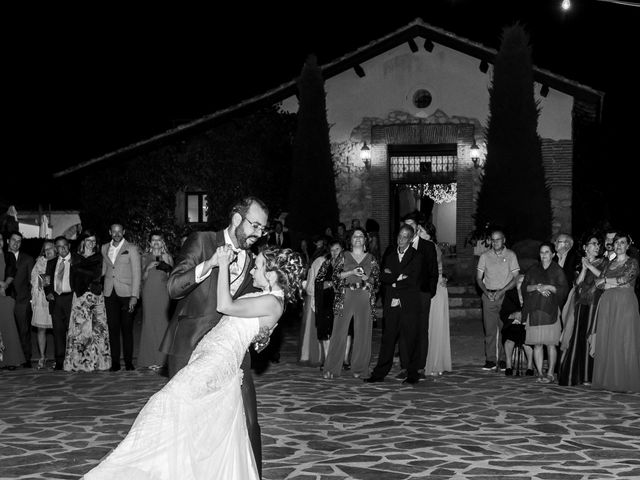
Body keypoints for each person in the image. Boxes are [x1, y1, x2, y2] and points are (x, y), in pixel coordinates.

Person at [84, 246, 305, 479]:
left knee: (166, 403)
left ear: (271, 275)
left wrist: (222, 267)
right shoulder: (266, 298)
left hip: (218, 362)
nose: (252, 273)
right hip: (209, 356)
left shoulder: (272, 302)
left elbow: (225, 306)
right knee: (191, 419)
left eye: (257, 267)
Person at [159, 196, 268, 476]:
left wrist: (259, 330)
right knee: (186, 422)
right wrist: (210, 264)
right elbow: (173, 287)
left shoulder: (252, 260)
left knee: (248, 419)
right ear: (236, 219)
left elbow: (246, 304)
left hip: (231, 347)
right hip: (191, 346)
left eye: (262, 229)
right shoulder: (203, 240)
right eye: (254, 225)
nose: (258, 233)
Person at [364, 224, 422, 384]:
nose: (401, 239)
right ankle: (379, 373)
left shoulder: (416, 256)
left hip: (408, 304)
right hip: (391, 304)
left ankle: (412, 374)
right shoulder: (390, 256)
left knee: (410, 339)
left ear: (410, 239)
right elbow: (383, 277)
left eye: (405, 237)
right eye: (399, 236)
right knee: (387, 339)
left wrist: (394, 279)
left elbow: (413, 280)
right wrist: (399, 277)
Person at [323, 227, 379, 379]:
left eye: (361, 236)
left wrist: (367, 278)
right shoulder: (344, 256)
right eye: (355, 236)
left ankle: (359, 369)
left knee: (363, 333)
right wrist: (352, 272)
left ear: (365, 240)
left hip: (364, 295)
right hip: (346, 295)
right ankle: (331, 368)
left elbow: (377, 280)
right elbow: (335, 277)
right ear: (351, 240)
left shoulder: (371, 258)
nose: (358, 238)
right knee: (338, 332)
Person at [591, 233, 640, 393]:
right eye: (616, 242)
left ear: (628, 245)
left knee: (625, 339)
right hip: (607, 304)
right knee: (608, 339)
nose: (619, 245)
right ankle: (609, 381)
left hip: (625, 304)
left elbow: (625, 279)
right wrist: (608, 282)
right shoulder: (609, 263)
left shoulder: (632, 262)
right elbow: (599, 284)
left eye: (622, 243)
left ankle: (627, 381)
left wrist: (607, 281)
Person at [558, 234, 604, 386]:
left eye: (598, 244)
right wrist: (584, 268)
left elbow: (603, 278)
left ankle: (590, 376)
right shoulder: (579, 264)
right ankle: (579, 375)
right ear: (585, 247)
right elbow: (577, 283)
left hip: (595, 304)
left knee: (591, 337)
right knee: (578, 337)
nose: (597, 246)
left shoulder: (604, 262)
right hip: (580, 303)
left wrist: (590, 266)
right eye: (593, 244)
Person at [63, 230, 111, 372]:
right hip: (80, 297)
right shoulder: (75, 257)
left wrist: (82, 271)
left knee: (98, 330)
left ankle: (99, 362)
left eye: (94, 241)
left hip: (95, 297)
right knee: (80, 331)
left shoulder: (99, 257)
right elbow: (72, 278)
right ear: (83, 242)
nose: (91, 243)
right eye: (88, 240)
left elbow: (98, 274)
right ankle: (79, 363)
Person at [522, 241, 568, 384]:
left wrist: (548, 286)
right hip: (534, 311)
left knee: (551, 344)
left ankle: (550, 373)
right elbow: (525, 288)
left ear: (553, 254)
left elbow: (563, 290)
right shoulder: (533, 269)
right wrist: (537, 287)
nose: (544, 255)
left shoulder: (557, 270)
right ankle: (540, 373)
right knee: (537, 344)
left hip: (550, 311)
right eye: (542, 252)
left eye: (547, 252)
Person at [476, 229, 520, 371]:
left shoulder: (511, 255)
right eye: (493, 240)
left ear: (504, 240)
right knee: (489, 329)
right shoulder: (485, 256)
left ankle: (502, 359)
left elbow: (516, 278)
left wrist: (502, 291)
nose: (495, 242)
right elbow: (478, 278)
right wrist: (485, 291)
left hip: (505, 296)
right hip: (488, 295)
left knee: (504, 328)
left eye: (498, 239)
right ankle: (490, 359)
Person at [402, 213, 439, 379]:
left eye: (411, 224)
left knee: (421, 330)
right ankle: (406, 365)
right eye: (405, 224)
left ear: (417, 227)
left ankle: (419, 367)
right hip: (404, 294)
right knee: (404, 330)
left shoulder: (427, 246)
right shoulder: (399, 245)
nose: (408, 227)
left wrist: (429, 292)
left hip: (422, 293)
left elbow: (433, 271)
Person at [101, 223, 141, 372]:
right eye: (114, 231)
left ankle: (129, 362)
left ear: (123, 232)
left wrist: (134, 296)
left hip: (126, 293)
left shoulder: (131, 248)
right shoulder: (104, 248)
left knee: (127, 328)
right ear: (110, 232)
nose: (117, 234)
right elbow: (105, 270)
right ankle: (116, 363)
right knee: (112, 329)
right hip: (109, 293)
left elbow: (137, 274)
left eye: (119, 231)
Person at [44, 236, 83, 370]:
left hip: (71, 298)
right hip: (56, 299)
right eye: (59, 247)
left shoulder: (77, 260)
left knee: (75, 331)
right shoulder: (51, 262)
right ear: (56, 248)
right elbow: (45, 280)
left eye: (65, 245)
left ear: (69, 245)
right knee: (58, 332)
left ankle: (76, 359)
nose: (63, 249)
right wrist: (47, 292)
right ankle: (60, 361)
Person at [138, 231, 174, 371]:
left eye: (159, 240)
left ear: (162, 242)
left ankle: (163, 360)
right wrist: (147, 268)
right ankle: (150, 359)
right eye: (153, 240)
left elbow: (173, 277)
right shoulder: (144, 257)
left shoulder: (168, 257)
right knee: (149, 324)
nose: (156, 243)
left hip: (163, 294)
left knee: (163, 324)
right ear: (150, 243)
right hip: (148, 294)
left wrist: (167, 268)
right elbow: (141, 278)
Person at [422, 223, 452, 377]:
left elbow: (430, 270)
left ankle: (434, 363)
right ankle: (429, 362)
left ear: (429, 233)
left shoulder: (431, 247)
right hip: (432, 285)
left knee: (435, 326)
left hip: (435, 287)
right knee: (428, 326)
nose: (418, 233)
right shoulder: (423, 246)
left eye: (421, 230)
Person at [4, 231, 34, 368]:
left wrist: (30, 300)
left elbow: (31, 281)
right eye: (13, 240)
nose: (16, 243)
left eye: (19, 241)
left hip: (22, 300)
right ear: (7, 241)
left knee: (23, 330)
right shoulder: (2, 257)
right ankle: (10, 360)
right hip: (4, 300)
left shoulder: (27, 259)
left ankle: (26, 359)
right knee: (7, 331)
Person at [298, 235, 327, 366]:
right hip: (316, 295)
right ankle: (317, 355)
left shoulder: (320, 260)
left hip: (315, 294)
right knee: (315, 327)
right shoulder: (320, 260)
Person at [314, 239, 343, 364]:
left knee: (340, 331)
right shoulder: (326, 264)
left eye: (337, 249)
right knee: (325, 331)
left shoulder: (348, 265)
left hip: (342, 303)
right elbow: (318, 282)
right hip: (326, 302)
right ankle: (327, 359)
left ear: (343, 250)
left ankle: (340, 359)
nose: (335, 252)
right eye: (332, 250)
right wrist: (331, 283)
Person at [500, 274, 534, 376]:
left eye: (523, 283)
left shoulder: (531, 294)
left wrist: (524, 318)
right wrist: (513, 316)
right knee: (509, 339)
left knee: (527, 341)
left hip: (527, 324)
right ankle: (509, 365)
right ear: (515, 283)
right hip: (513, 323)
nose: (521, 284)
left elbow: (534, 310)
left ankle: (530, 366)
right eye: (519, 282)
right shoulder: (510, 294)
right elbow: (503, 312)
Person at [30, 240, 56, 369]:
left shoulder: (60, 261)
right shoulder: (40, 261)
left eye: (50, 248)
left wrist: (46, 279)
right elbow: (34, 278)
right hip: (41, 299)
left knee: (58, 329)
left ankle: (60, 357)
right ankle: (42, 357)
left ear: (55, 249)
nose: (48, 251)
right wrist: (43, 279)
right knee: (41, 329)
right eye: (45, 249)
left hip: (56, 299)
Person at [0, 232, 25, 369]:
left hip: (6, 296)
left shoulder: (8, 255)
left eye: (0, 239)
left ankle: (10, 360)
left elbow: (11, 272)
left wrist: (5, 285)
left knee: (8, 328)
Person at [553, 233, 581, 298]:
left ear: (567, 244)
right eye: (555, 241)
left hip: (568, 295)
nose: (554, 243)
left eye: (558, 241)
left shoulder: (576, 258)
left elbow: (572, 279)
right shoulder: (552, 256)